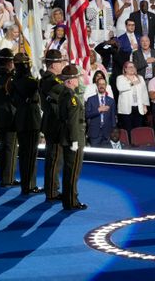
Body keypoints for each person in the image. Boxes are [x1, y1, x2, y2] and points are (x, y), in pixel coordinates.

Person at [54, 65, 88, 210]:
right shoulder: (71, 97)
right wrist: (75, 139)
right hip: (73, 138)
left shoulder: (64, 94)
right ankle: (71, 201)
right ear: (70, 81)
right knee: (73, 170)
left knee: (70, 170)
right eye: (75, 78)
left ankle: (69, 199)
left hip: (66, 136)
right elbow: (73, 120)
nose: (77, 80)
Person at [10, 53, 44, 195]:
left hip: (20, 119)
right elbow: (38, 95)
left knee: (23, 154)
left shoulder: (12, 81)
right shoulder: (30, 81)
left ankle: (25, 184)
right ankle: (29, 185)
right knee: (30, 154)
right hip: (31, 120)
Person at [40, 49, 67, 201]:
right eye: (60, 62)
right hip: (54, 122)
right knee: (54, 158)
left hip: (52, 121)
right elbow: (63, 95)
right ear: (53, 64)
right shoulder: (51, 80)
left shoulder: (49, 78)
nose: (62, 64)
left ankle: (52, 188)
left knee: (55, 158)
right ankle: (52, 191)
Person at [0, 49, 19, 187]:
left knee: (3, 148)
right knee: (10, 149)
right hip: (10, 117)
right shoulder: (11, 78)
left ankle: (3, 176)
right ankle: (8, 179)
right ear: (10, 62)